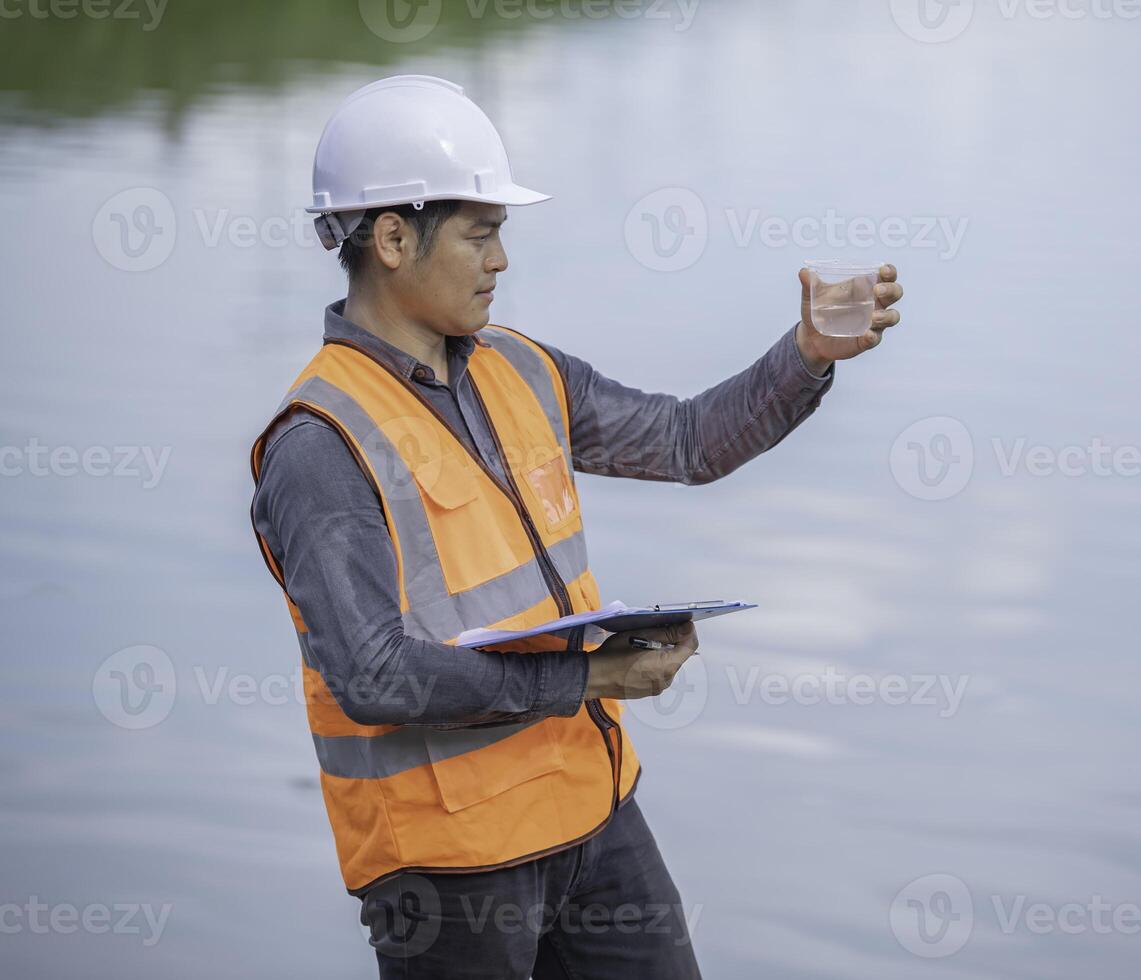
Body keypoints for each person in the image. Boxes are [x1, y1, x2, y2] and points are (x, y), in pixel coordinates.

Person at [248, 74, 904, 979]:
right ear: (393, 238)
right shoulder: (320, 444)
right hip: (450, 871)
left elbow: (687, 440)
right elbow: (375, 677)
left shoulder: (522, 368)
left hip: (594, 816)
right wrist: (590, 673)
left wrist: (805, 359)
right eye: (480, 235)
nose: (500, 262)